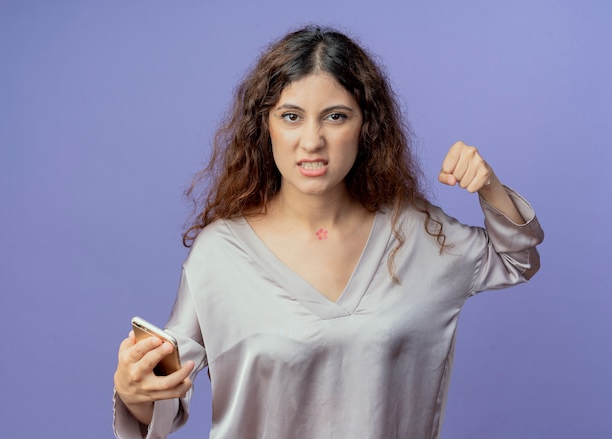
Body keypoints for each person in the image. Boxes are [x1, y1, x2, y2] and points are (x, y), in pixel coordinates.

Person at [113, 25, 544, 438]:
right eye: (291, 116)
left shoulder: (417, 235)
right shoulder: (220, 255)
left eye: (335, 116)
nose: (312, 140)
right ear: (266, 126)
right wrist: (135, 391)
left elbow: (516, 258)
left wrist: (489, 185)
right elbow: (164, 396)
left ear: (366, 126)